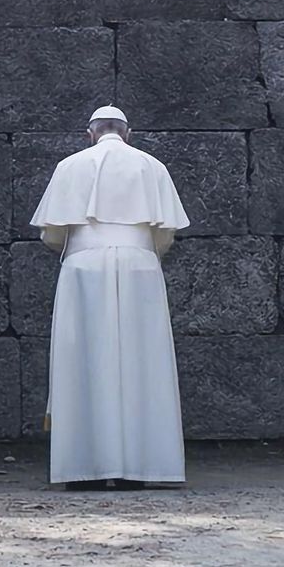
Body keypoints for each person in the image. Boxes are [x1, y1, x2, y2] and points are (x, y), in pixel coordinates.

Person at [30, 105, 190, 490]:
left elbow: (52, 235)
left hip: (83, 269)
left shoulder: (70, 167)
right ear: (127, 133)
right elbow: (165, 236)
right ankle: (140, 467)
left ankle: (84, 470)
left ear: (91, 133)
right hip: (141, 268)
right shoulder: (152, 167)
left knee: (83, 361)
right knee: (142, 363)